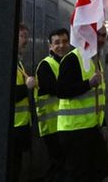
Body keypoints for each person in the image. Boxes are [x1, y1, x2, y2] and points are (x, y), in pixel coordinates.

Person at [54, 31, 108, 182]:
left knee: (99, 171)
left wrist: (103, 125)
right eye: (98, 35)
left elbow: (97, 100)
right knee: (78, 175)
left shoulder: (95, 62)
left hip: (91, 128)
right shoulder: (72, 59)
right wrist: (88, 84)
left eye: (104, 36)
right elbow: (61, 91)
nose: (102, 39)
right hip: (74, 130)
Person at [35, 28, 72, 181]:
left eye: (64, 42)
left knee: (62, 165)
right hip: (52, 126)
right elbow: (54, 89)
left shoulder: (67, 63)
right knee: (59, 165)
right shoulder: (46, 65)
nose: (61, 46)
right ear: (50, 46)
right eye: (57, 43)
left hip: (65, 125)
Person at [9, 24, 37, 182]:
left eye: (26, 36)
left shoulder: (18, 63)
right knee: (12, 168)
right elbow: (6, 94)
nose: (26, 40)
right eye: (22, 36)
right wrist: (26, 87)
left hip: (19, 125)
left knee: (16, 167)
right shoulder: (9, 62)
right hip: (12, 127)